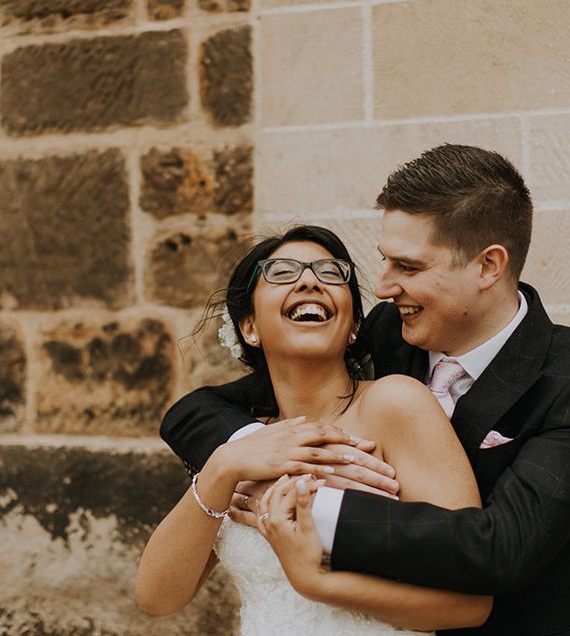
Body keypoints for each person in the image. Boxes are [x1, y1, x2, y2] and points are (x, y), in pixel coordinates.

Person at [160, 144, 570, 636]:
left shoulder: (562, 378)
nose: (382, 287)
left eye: (409, 268)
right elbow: (204, 406)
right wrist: (246, 454)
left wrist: (314, 501)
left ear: (488, 267)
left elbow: (503, 549)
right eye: (383, 262)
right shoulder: (388, 330)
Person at [136, 225, 492, 634]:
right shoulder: (245, 446)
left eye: (330, 272)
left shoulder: (396, 404)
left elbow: (469, 603)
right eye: (283, 273)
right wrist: (222, 467)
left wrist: (318, 583)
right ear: (248, 328)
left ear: (354, 324)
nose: (310, 280)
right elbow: (158, 597)